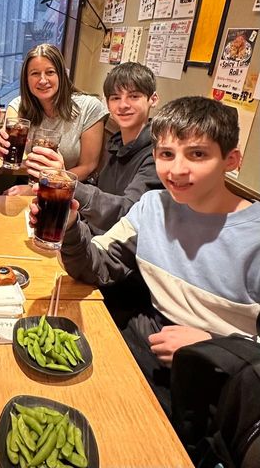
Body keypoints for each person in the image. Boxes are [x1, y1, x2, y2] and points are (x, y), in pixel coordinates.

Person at [39, 96, 260, 414]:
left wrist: (211, 345)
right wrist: (70, 227)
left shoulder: (253, 236)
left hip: (217, 384)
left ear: (231, 160)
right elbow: (99, 266)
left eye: (197, 154)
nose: (177, 170)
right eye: (166, 154)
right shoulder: (154, 206)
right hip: (139, 348)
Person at [28, 61, 162, 235]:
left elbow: (128, 212)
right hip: (92, 237)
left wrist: (65, 180)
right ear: (107, 104)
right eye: (115, 98)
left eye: (134, 96)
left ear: (153, 99)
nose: (123, 105)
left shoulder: (159, 155)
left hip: (116, 250)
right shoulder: (117, 144)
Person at [0, 43, 107, 185]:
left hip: (71, 191)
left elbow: (88, 167)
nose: (42, 80)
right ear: (26, 79)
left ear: (61, 75)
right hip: (31, 183)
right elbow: (6, 148)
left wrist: (42, 185)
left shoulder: (89, 107)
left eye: (50, 72)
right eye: (35, 73)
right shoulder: (19, 106)